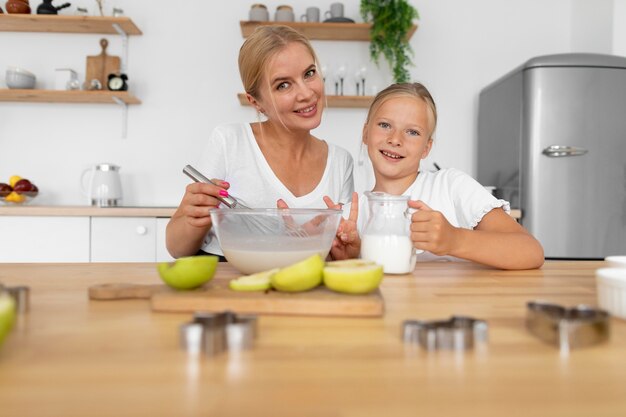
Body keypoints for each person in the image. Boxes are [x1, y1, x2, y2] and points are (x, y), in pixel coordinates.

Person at [166, 25, 354, 259]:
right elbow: (176, 248)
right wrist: (192, 216)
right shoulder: (229, 142)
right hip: (227, 284)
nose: (306, 93)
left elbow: (341, 256)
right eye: (283, 85)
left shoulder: (340, 161)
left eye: (309, 73)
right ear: (256, 102)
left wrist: (333, 245)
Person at [326, 82, 544, 270]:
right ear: (365, 133)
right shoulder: (350, 218)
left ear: (426, 148)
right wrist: (351, 257)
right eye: (385, 125)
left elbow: (531, 251)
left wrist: (454, 239)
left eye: (412, 132)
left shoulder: (450, 186)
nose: (395, 139)